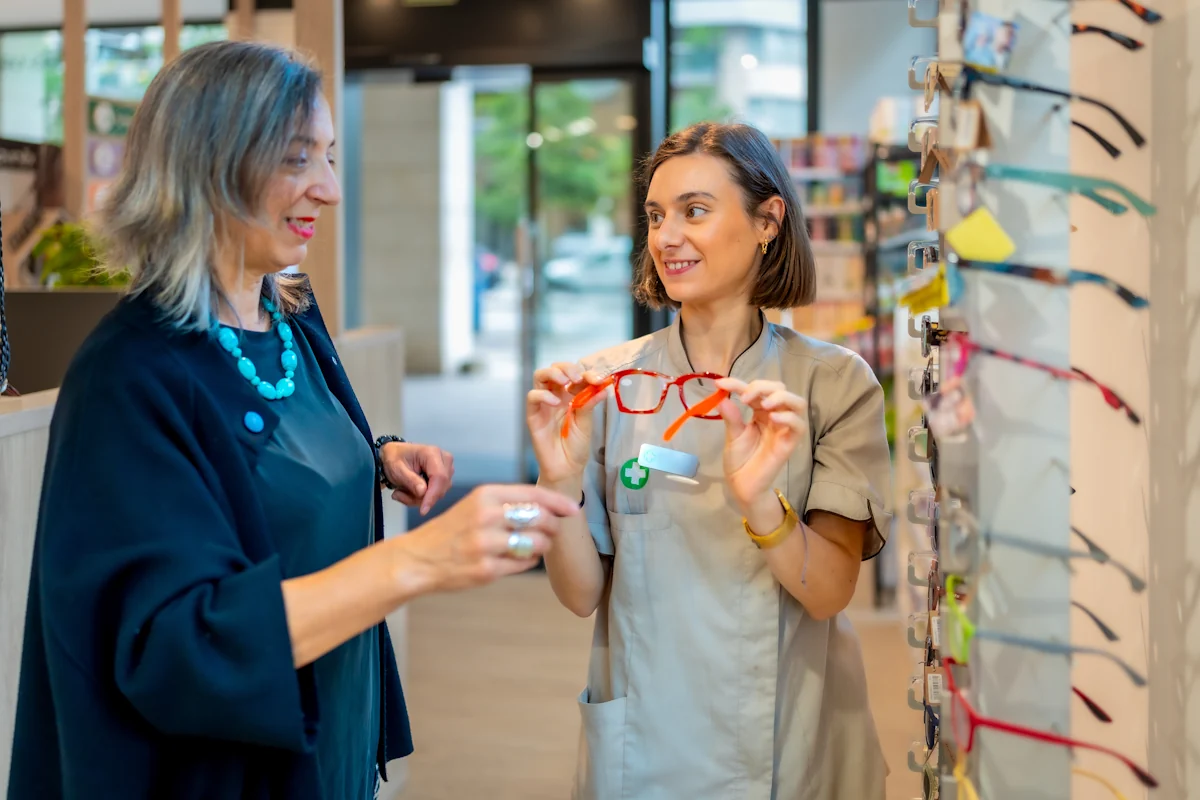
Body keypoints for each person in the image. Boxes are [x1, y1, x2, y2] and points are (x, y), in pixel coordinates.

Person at [7, 40, 577, 800]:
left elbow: (266, 447)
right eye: (297, 158)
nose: (329, 189)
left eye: (331, 157)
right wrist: (421, 560)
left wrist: (374, 456)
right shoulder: (129, 373)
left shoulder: (287, 313)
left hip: (331, 731)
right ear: (208, 162)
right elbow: (176, 646)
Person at [526, 122, 893, 799]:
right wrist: (559, 480)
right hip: (647, 739)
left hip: (790, 735)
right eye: (656, 216)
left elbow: (830, 591)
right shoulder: (608, 387)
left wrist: (760, 503)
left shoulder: (833, 385)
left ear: (768, 221)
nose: (667, 237)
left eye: (695, 211)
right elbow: (582, 596)